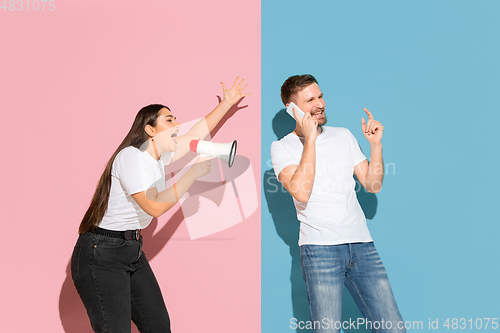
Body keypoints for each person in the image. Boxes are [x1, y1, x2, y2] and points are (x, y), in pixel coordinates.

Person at [71, 77, 250, 332]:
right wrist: (191, 174)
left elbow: (195, 134)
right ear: (150, 130)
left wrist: (228, 104)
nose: (177, 124)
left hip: (130, 249)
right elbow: (153, 207)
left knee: (158, 326)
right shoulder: (131, 157)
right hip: (101, 254)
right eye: (169, 120)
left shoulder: (159, 158)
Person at [271, 74, 404, 333]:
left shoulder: (342, 136)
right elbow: (301, 192)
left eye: (320, 96)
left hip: (362, 246)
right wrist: (310, 139)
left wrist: (375, 146)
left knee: (393, 328)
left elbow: (372, 184)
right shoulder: (282, 148)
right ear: (292, 109)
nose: (319, 103)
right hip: (320, 249)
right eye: (310, 100)